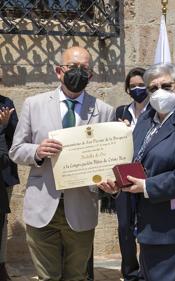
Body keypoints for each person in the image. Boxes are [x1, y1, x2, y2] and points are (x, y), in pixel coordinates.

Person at [98, 63, 175, 281]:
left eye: (166, 85)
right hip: (147, 228)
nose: (159, 92)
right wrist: (117, 186)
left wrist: (147, 186)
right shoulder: (145, 121)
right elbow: (134, 162)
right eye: (153, 88)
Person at [9, 46, 115, 281]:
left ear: (91, 76)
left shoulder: (104, 111)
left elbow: (109, 159)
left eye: (84, 69)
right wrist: (37, 150)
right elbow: (16, 150)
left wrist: (110, 181)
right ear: (59, 71)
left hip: (80, 207)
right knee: (47, 276)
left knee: (76, 275)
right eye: (73, 67)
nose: (78, 73)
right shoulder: (33, 104)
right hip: (42, 205)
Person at [115, 67, 149, 281]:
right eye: (133, 85)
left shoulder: (155, 112)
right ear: (128, 89)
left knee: (147, 223)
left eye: (141, 85)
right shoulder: (121, 111)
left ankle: (147, 269)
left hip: (147, 176)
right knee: (124, 225)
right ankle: (130, 271)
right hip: (125, 175)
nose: (138, 89)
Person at [0, 97, 19, 281]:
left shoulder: (6, 103)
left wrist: (6, 124)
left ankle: (1, 264)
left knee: (2, 220)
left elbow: (17, 138)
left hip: (4, 173)